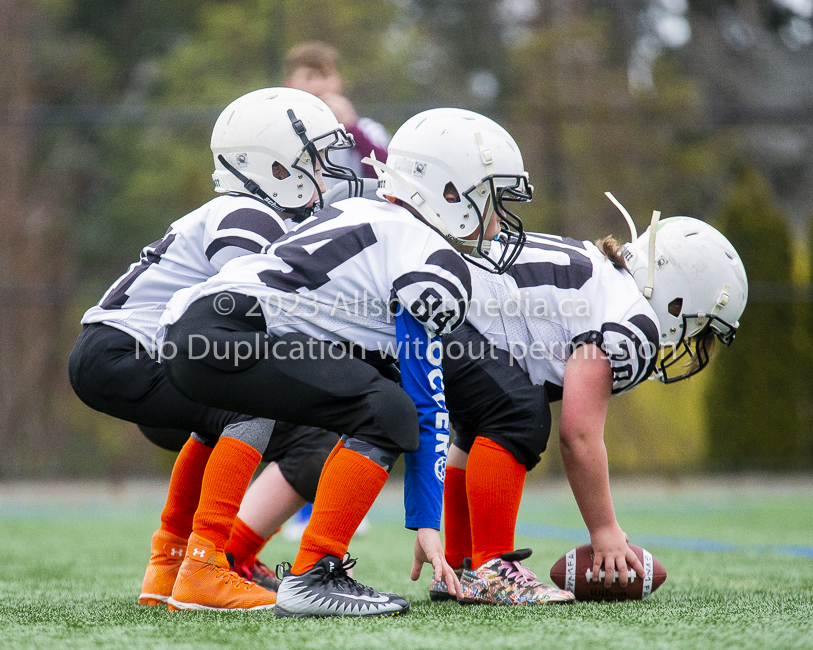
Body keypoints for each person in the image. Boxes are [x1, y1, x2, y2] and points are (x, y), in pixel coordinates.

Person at [156, 107, 532, 617]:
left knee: (362, 403)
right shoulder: (427, 253)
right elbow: (425, 399)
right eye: (489, 198)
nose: (496, 217)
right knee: (388, 409)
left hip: (195, 331)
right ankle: (315, 571)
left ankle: (188, 562)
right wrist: (427, 521)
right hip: (236, 332)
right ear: (448, 191)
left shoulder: (358, 211)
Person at [68, 87, 359, 609]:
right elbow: (251, 305)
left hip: (117, 351)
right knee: (252, 401)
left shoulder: (249, 213)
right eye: (312, 161)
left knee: (231, 408)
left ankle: (172, 565)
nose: (323, 174)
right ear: (273, 167)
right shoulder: (247, 215)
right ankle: (205, 565)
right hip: (128, 350)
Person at [431, 214, 748, 606]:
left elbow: (473, 429)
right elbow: (578, 436)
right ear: (679, 297)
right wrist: (605, 530)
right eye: (696, 326)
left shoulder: (601, 275)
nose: (687, 338)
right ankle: (491, 567)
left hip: (434, 305)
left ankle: (461, 565)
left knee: (490, 414)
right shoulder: (631, 316)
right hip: (445, 313)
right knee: (520, 411)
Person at [283, 41, 390, 180]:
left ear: (339, 81)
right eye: (309, 77)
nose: (319, 85)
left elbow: (389, 177)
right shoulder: (281, 130)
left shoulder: (367, 130)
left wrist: (352, 129)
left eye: (326, 76)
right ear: (290, 84)